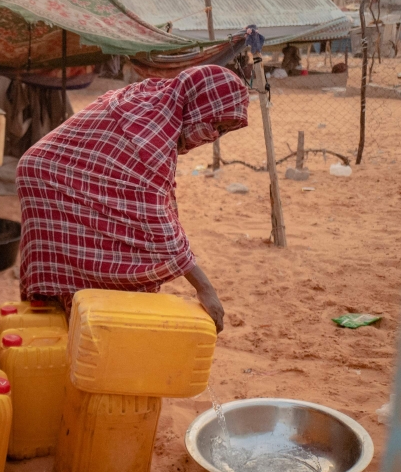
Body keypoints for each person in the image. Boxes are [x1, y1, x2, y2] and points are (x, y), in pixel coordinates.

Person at [15, 65, 250, 333]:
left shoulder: (163, 103)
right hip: (49, 181)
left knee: (102, 261)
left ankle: (77, 340)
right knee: (92, 270)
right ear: (200, 105)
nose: (213, 137)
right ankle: (71, 343)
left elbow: (154, 202)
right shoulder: (150, 125)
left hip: (50, 171)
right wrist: (204, 288)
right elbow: (155, 221)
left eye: (222, 131)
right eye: (215, 125)